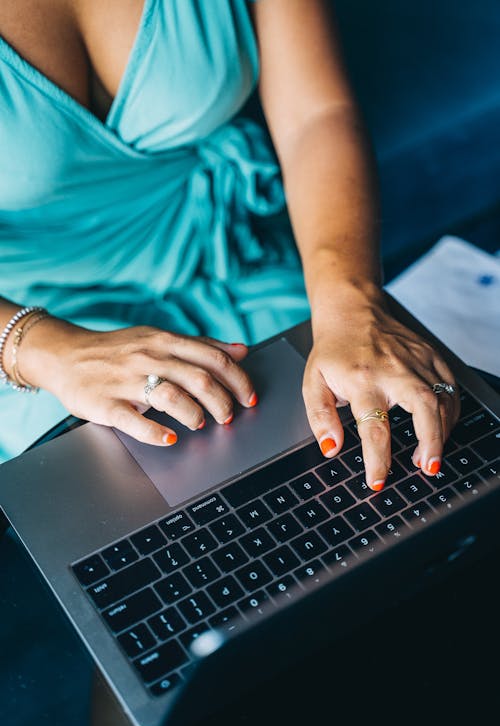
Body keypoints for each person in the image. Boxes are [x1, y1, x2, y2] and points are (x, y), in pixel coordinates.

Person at [0, 0, 460, 490]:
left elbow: (315, 117)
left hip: (237, 255)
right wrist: (43, 351)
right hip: (39, 326)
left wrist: (352, 303)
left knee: (393, 462)